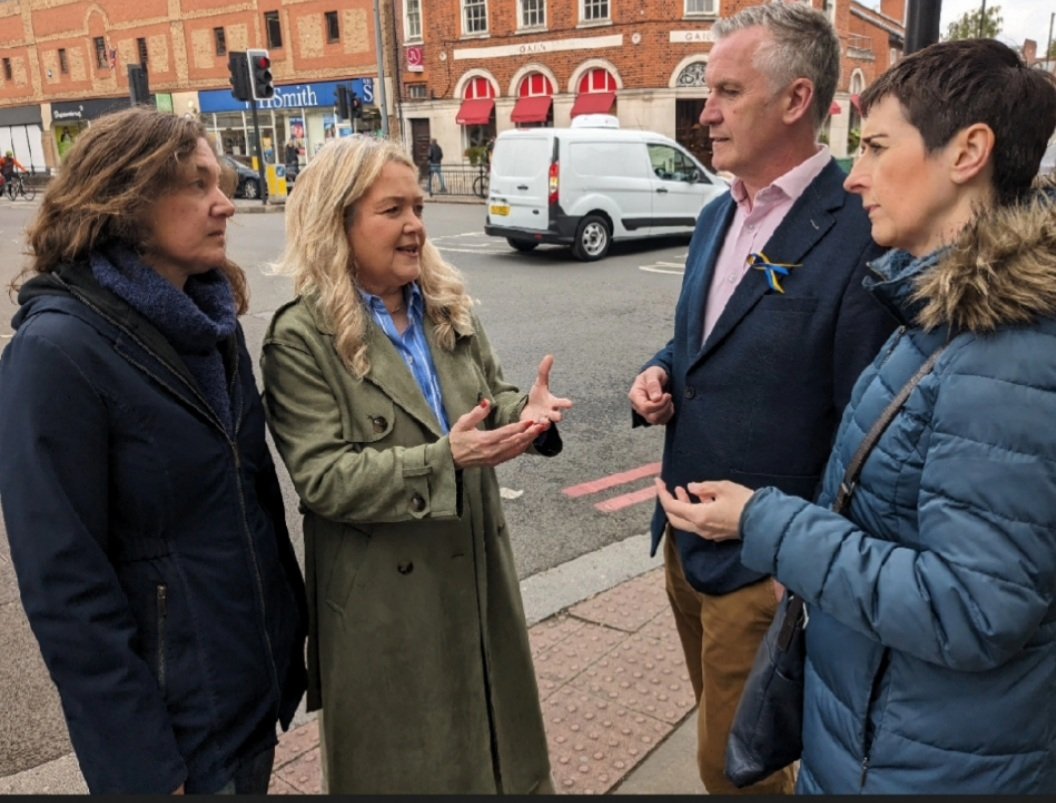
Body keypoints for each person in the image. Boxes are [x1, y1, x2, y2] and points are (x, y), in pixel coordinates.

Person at [656, 38, 1056, 794]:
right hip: (878, 730)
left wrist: (770, 527)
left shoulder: (1006, 356)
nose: (858, 174)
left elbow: (973, 606)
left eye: (874, 146)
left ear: (968, 151)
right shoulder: (935, 311)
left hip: (924, 756)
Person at [626, 3, 896, 795]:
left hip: (764, 564)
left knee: (735, 770)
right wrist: (660, 372)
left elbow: (866, 418)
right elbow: (703, 340)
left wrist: (801, 565)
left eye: (726, 91)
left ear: (796, 99)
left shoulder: (858, 227)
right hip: (682, 544)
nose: (704, 111)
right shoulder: (717, 212)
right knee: (737, 752)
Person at [0, 107, 308, 794]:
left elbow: (248, 499)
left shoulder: (210, 320)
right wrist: (142, 767)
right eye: (198, 184)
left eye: (219, 181)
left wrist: (286, 649)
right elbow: (66, 590)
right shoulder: (55, 354)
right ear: (127, 199)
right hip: (174, 743)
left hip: (246, 700)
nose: (225, 202)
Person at [259, 136, 571, 794]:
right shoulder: (301, 338)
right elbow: (322, 479)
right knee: (414, 764)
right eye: (392, 209)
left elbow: (490, 397)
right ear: (337, 221)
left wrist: (529, 415)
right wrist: (444, 460)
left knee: (499, 757)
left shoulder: (444, 303)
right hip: (387, 609)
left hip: (478, 581)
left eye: (418, 207)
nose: (415, 226)